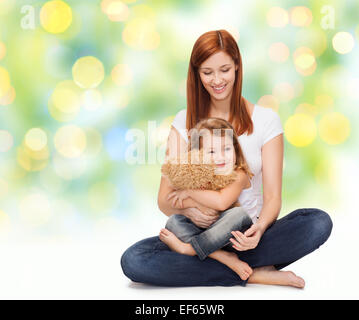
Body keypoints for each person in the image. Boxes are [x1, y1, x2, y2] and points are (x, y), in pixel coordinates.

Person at [121, 29, 333, 288]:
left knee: (317, 222)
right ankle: (251, 272)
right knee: (134, 260)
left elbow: (273, 198)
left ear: (236, 67)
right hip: (199, 234)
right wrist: (189, 210)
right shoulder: (183, 122)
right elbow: (164, 200)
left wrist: (260, 229)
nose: (217, 80)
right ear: (196, 74)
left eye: (224, 70)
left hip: (249, 235)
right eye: (207, 72)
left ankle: (227, 263)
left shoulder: (267, 121)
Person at [160, 117, 256, 281]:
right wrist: (191, 203)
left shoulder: (239, 174)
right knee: (173, 222)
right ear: (197, 156)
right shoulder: (200, 177)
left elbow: (221, 202)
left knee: (238, 214)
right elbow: (174, 202)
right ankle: (220, 257)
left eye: (226, 149)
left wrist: (190, 192)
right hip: (209, 238)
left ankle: (189, 250)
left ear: (235, 150)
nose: (221, 157)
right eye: (211, 152)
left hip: (237, 238)